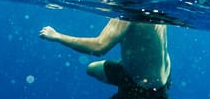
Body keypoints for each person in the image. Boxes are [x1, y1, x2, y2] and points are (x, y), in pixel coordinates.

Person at [39, 18, 171, 99]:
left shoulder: (128, 13)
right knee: (91, 69)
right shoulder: (150, 5)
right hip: (149, 74)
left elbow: (99, 47)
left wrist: (57, 36)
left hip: (146, 92)